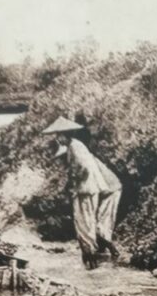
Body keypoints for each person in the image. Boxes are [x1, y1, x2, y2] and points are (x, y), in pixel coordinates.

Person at [42, 116, 122, 270]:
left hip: (86, 189)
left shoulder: (75, 147)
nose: (57, 139)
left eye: (59, 136)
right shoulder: (77, 146)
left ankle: (91, 259)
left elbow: (83, 170)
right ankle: (99, 258)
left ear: (65, 134)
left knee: (84, 224)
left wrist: (73, 180)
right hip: (90, 189)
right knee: (89, 224)